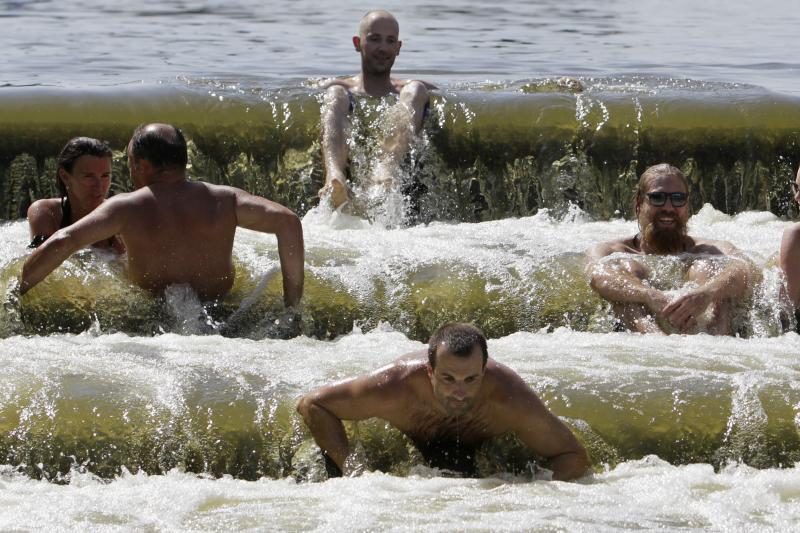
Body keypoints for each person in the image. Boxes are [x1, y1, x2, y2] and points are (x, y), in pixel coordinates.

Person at [20, 123, 304, 308]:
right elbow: (288, 221)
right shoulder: (227, 198)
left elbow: (63, 241)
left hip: (154, 315)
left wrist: (14, 293)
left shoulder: (125, 207)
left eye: (130, 163)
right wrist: (292, 304)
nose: (129, 172)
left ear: (142, 165)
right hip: (222, 310)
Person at [297, 323, 590, 481]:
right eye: (448, 379)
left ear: (484, 371)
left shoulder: (509, 397)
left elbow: (573, 457)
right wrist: (354, 469)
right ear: (429, 371)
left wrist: (521, 490)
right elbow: (313, 404)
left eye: (471, 380)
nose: (459, 392)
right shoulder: (395, 386)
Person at [587, 163, 755, 335]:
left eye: (677, 198)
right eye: (657, 198)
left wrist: (706, 294)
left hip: (709, 335)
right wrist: (646, 294)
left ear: (687, 204)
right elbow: (596, 276)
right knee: (625, 276)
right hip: (644, 334)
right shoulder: (611, 250)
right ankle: (659, 345)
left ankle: (714, 345)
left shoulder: (712, 249)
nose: (668, 207)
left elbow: (744, 269)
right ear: (639, 202)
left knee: (710, 272)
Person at [318, 10, 436, 208]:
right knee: (335, 92)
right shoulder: (340, 86)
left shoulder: (410, 88)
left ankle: (385, 169)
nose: (383, 48)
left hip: (392, 168)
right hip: (343, 107)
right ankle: (334, 178)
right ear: (357, 43)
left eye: (390, 41)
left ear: (398, 48)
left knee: (416, 88)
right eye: (374, 39)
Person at [27, 137, 124, 252]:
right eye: (88, 176)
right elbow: (42, 263)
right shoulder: (47, 213)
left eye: (105, 176)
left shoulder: (119, 217)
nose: (99, 186)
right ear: (65, 177)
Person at [780, 166, 800, 310]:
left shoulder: (795, 235)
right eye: (796, 188)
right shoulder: (795, 235)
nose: (797, 197)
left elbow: (786, 311)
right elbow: (786, 312)